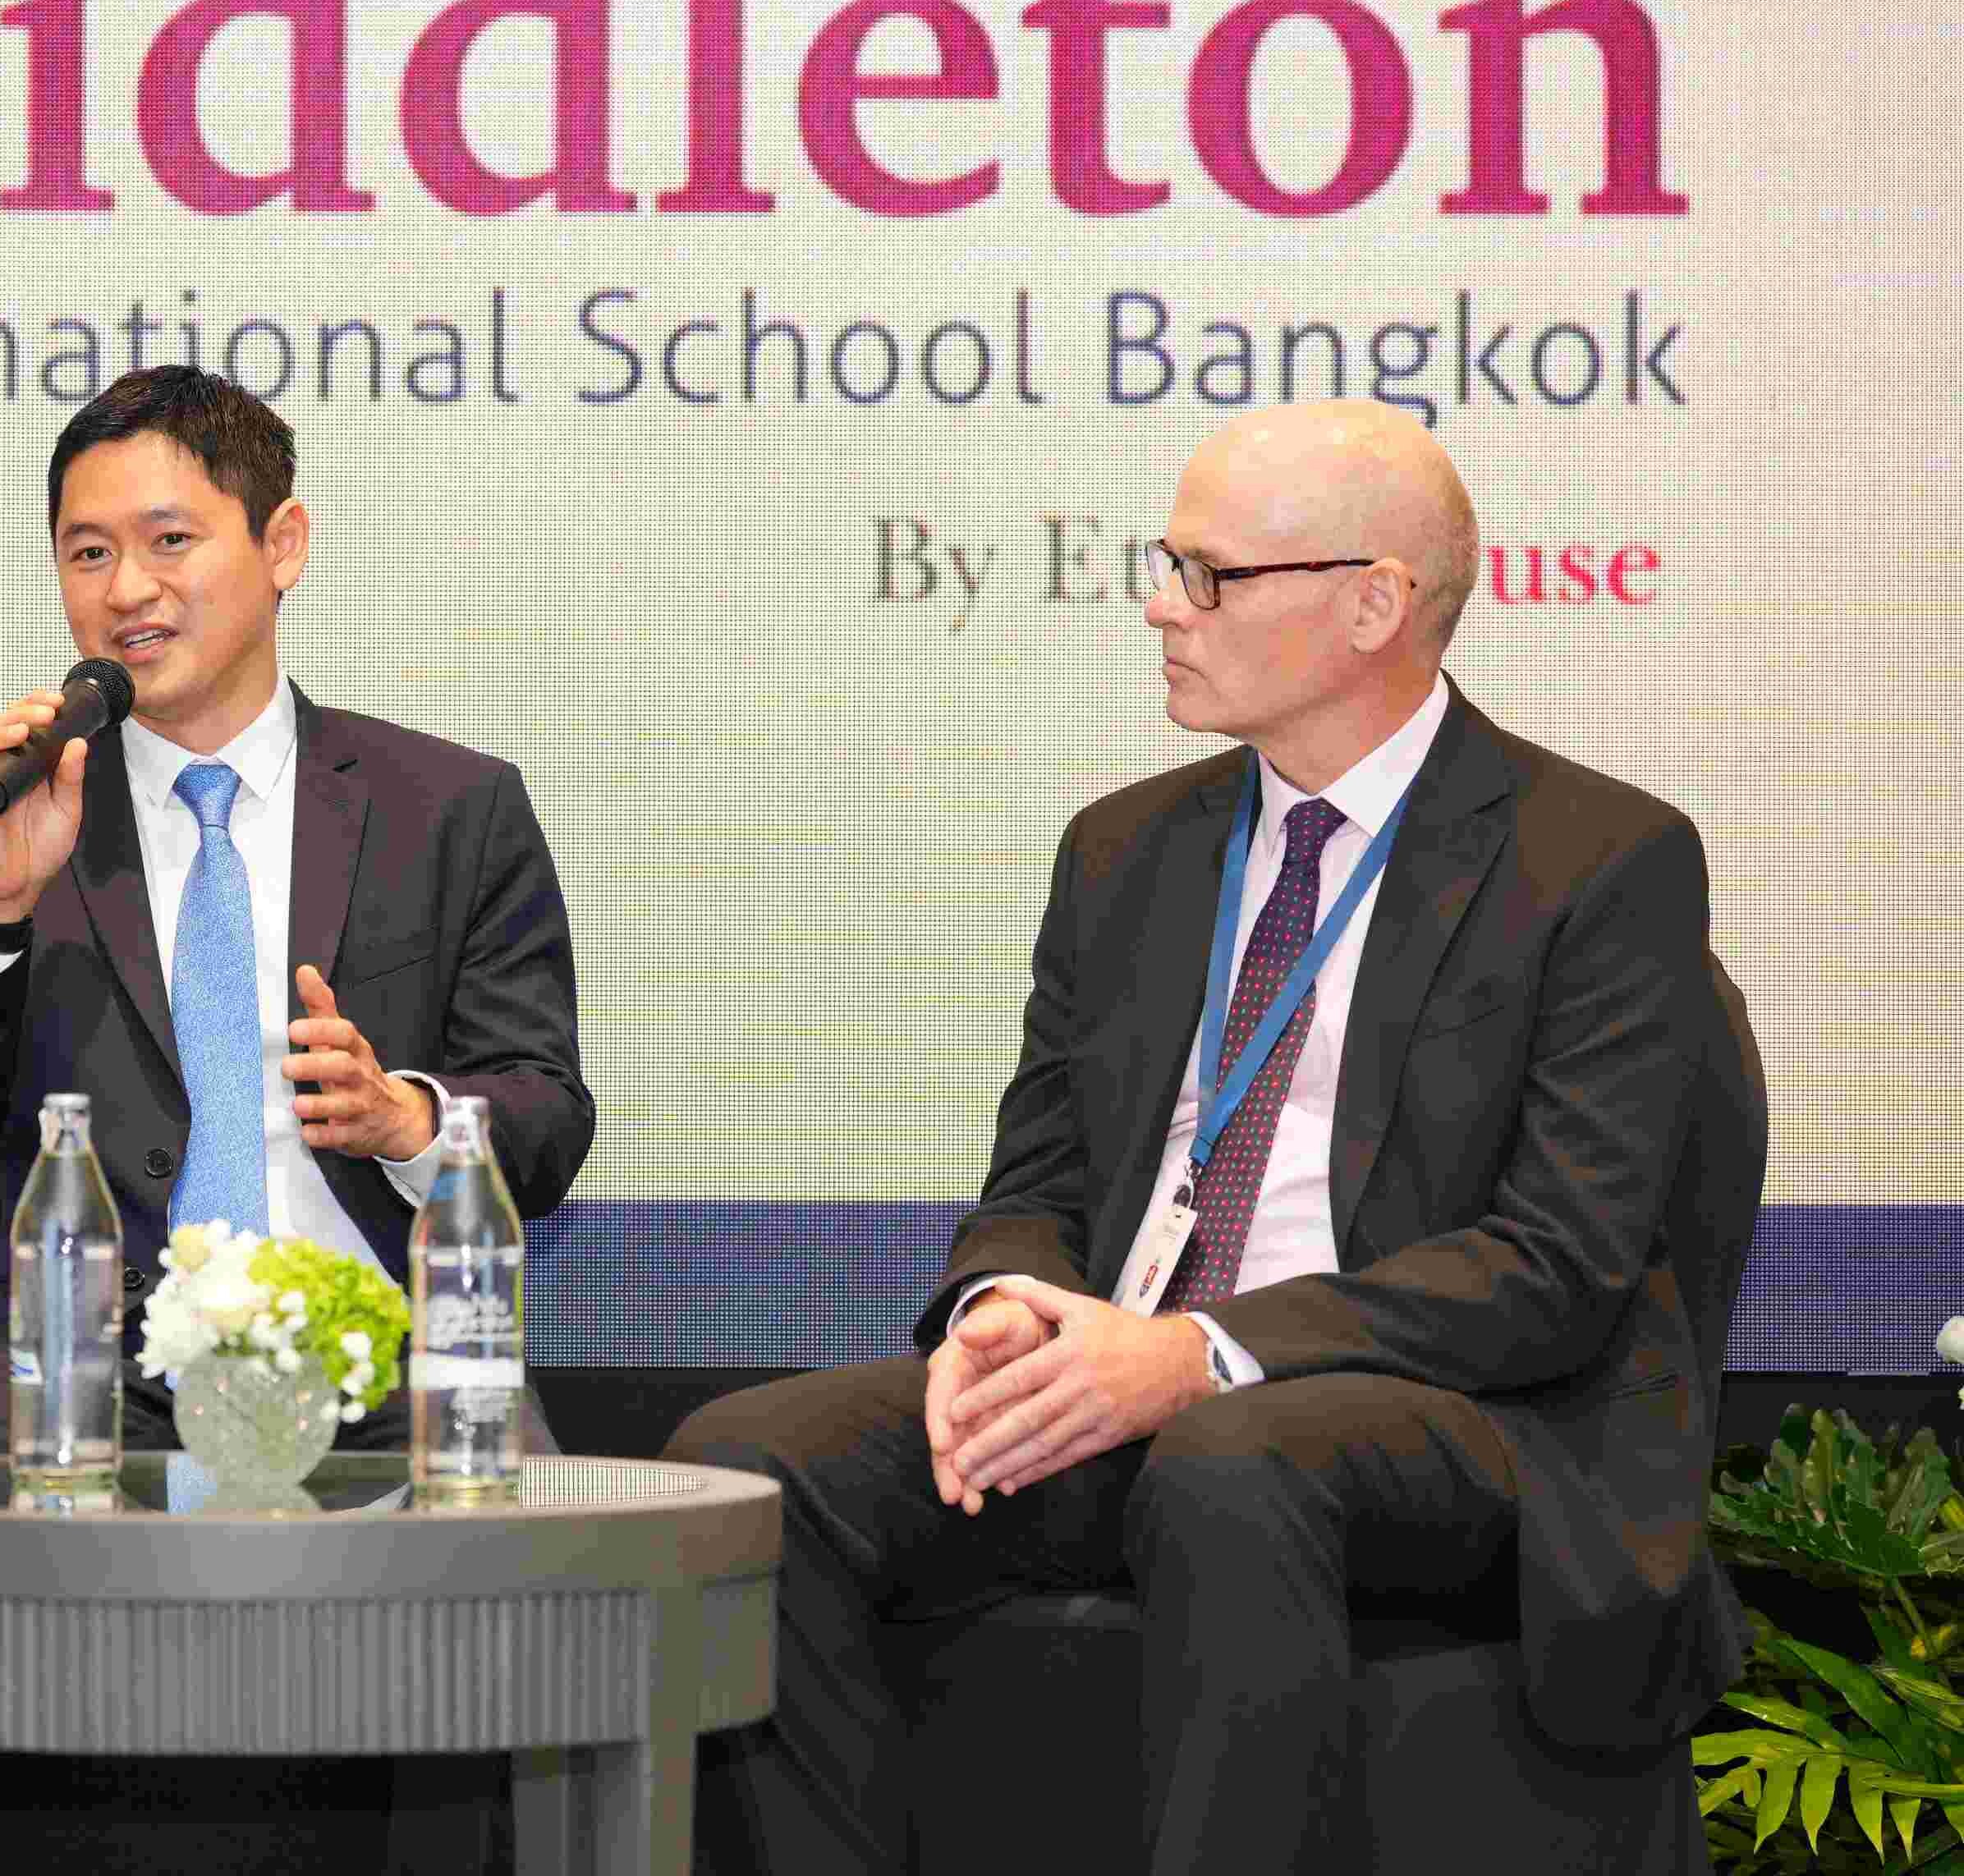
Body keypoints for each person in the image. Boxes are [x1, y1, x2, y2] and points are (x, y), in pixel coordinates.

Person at [671, 399, 1755, 1873]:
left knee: (1230, 1460)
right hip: (1142, 1389)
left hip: (1455, 1418)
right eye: (1167, 565)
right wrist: (1009, 1305)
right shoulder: (1129, 848)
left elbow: (1556, 1265)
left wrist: (1199, 1355)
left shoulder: (1598, 859)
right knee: (748, 1464)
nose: (1161, 606)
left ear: (1373, 604)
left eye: (1209, 575)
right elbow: (1042, 1175)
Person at [0, 366, 594, 1456]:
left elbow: (545, 1123)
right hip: (68, 1360)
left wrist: (406, 1119)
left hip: (373, 1360)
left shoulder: (451, 810)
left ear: (282, 544)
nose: (127, 590)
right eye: (88, 554)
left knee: (522, 1508)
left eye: (170, 541)